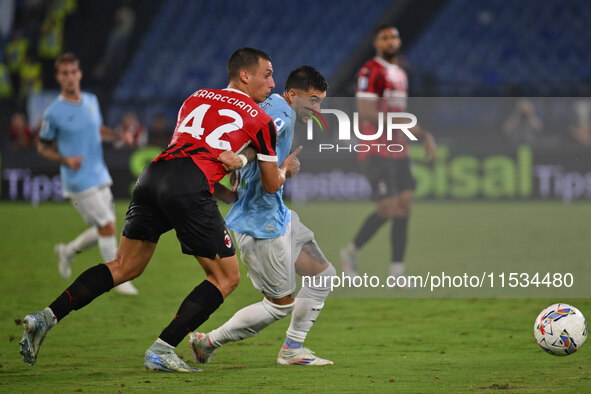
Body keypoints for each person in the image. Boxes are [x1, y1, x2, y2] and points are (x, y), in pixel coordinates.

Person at [20, 47, 297, 373]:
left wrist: (220, 189)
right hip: (189, 184)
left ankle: (46, 317)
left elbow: (188, 147)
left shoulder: (197, 97)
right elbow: (269, 184)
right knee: (226, 277)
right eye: (267, 74)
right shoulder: (262, 120)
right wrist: (285, 171)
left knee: (124, 265)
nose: (272, 82)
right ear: (245, 75)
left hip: (155, 174)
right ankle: (162, 349)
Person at [190, 66, 335, 366]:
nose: (317, 109)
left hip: (278, 214)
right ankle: (207, 342)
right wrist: (277, 168)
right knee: (279, 306)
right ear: (293, 94)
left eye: (321, 101)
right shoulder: (282, 111)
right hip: (260, 224)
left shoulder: (268, 107)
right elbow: (261, 139)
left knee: (323, 276)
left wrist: (241, 164)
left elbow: (254, 138)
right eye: (313, 100)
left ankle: (292, 349)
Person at [36, 52, 138, 296]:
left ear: (79, 74)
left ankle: (68, 251)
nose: (70, 77)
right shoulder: (54, 112)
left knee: (106, 226)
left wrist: (117, 136)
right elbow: (42, 146)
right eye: (65, 73)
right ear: (59, 77)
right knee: (107, 225)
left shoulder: (91, 100)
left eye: (73, 72)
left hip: (99, 172)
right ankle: (117, 278)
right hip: (77, 180)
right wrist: (65, 159)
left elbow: (98, 129)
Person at [340, 26, 436, 281]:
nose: (391, 41)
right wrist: (400, 124)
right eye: (385, 37)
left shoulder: (401, 74)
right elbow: (366, 111)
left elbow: (400, 116)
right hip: (375, 148)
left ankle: (397, 274)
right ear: (376, 42)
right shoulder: (370, 70)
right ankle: (351, 251)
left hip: (399, 149)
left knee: (404, 207)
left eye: (394, 36)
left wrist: (425, 136)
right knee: (388, 208)